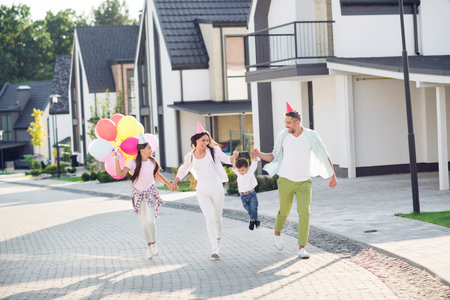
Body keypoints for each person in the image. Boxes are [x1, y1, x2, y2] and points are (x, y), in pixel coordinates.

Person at [252, 104, 337, 259]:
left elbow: (324, 154)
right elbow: (273, 156)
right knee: (284, 211)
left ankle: (301, 248)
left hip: (304, 181)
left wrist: (333, 174)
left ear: (297, 122)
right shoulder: (283, 136)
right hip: (285, 180)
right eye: (285, 123)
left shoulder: (311, 136)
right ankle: (277, 232)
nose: (286, 125)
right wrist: (259, 154)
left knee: (304, 213)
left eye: (288, 123)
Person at [172, 122, 236, 259]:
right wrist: (175, 181)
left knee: (217, 218)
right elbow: (184, 169)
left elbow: (227, 159)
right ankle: (214, 248)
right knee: (209, 218)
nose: (205, 143)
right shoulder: (190, 156)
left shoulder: (213, 151)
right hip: (202, 190)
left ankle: (218, 240)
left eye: (207, 140)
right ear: (196, 140)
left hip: (217, 188)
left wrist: (234, 158)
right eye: (203, 140)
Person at [114, 133, 174, 260]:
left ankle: (154, 243)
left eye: (151, 148)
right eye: (149, 148)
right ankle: (149, 246)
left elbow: (157, 175)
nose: (151, 150)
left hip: (150, 194)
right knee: (144, 223)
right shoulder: (132, 163)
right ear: (142, 150)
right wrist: (115, 158)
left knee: (150, 220)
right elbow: (119, 173)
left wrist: (169, 184)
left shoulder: (152, 162)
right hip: (138, 196)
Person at [231, 150, 261, 230]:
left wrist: (253, 155)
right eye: (240, 170)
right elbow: (234, 166)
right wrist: (234, 157)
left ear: (247, 168)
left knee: (254, 207)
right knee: (247, 207)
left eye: (243, 170)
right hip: (243, 195)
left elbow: (254, 163)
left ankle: (252, 221)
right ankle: (256, 220)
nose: (241, 172)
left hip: (251, 194)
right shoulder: (238, 173)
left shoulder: (250, 171)